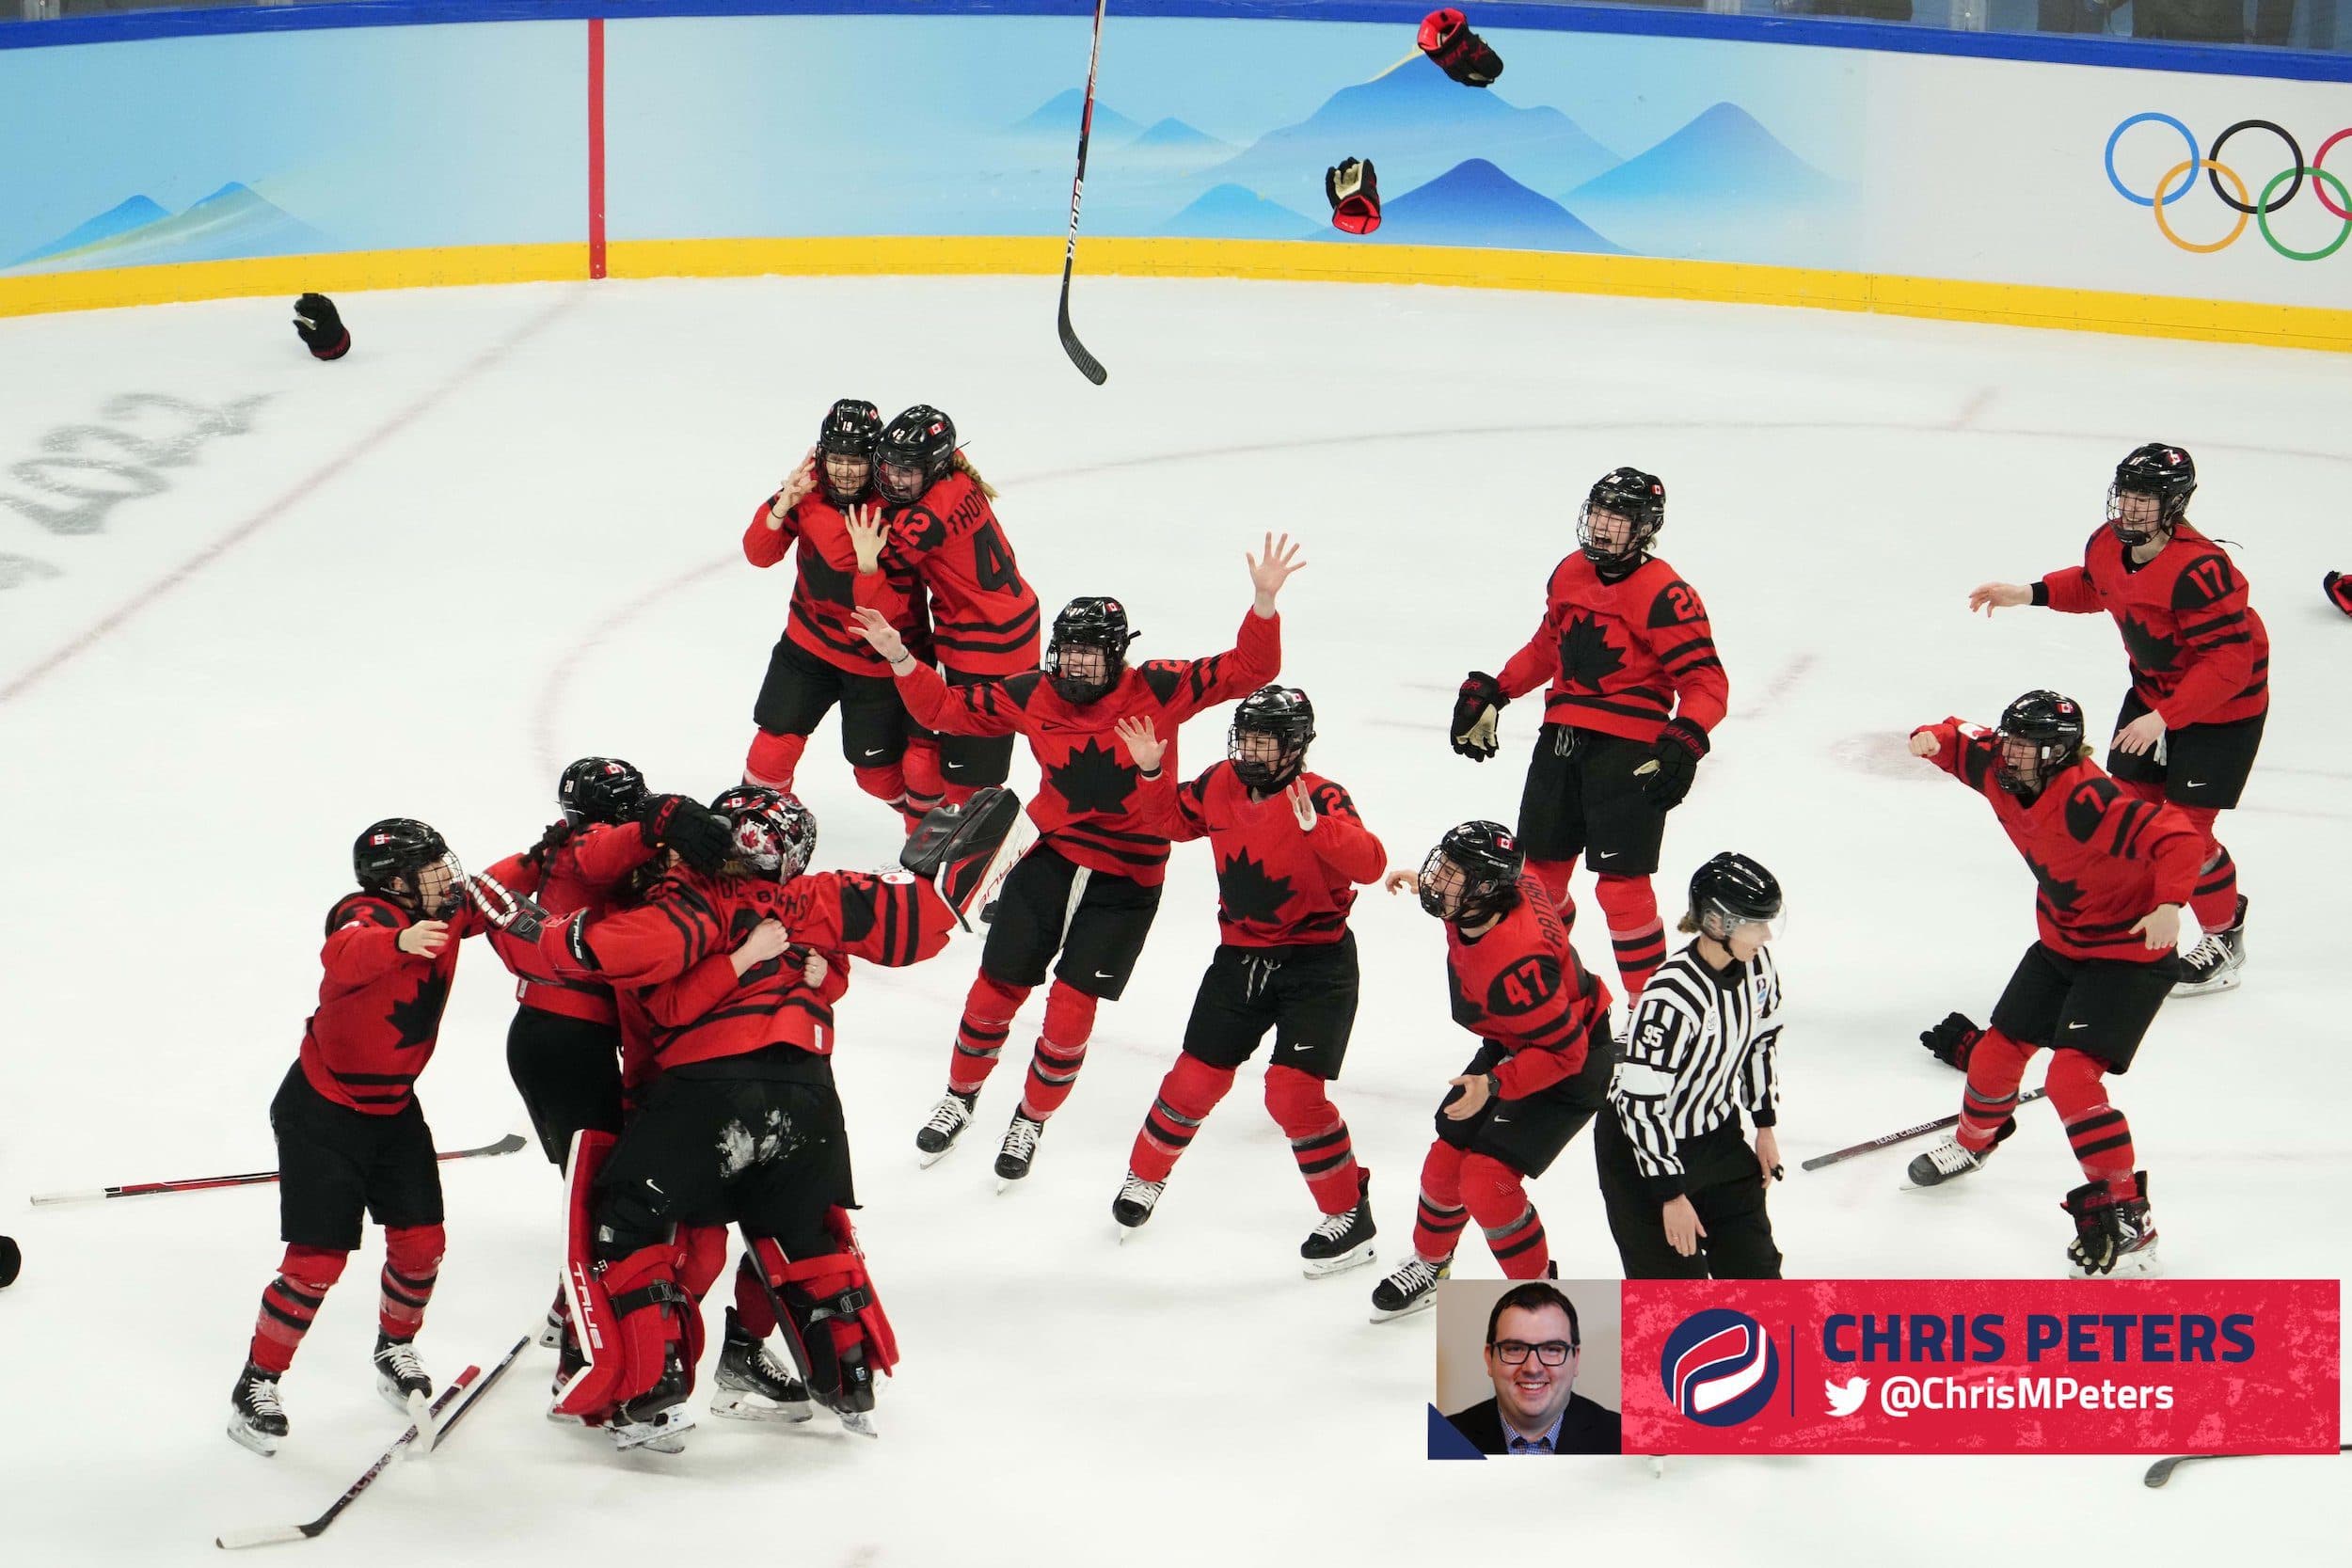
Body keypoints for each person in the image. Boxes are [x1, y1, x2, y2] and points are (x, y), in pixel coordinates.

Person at [483, 785, 1018, 1450]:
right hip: (810, 1102)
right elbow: (919, 914)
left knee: (630, 1219)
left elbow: (595, 955)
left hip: (706, 1096)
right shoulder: (815, 900)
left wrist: (521, 926)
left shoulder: (694, 902)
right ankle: (836, 1378)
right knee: (801, 1231)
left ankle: (648, 1390)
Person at [852, 535, 1304, 1186]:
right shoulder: (1033, 691)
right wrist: (899, 656)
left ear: (1117, 655)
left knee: (1070, 1007)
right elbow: (947, 710)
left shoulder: (1160, 685)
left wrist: (1263, 603)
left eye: (1092, 658)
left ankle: (1031, 1118)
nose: (1077, 669)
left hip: (1130, 877)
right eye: (1070, 654)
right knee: (994, 988)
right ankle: (960, 1096)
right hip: (1050, 855)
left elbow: (1247, 670)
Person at [1902, 691, 2206, 1278]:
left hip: (2130, 954)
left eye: (2023, 747)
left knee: (2070, 1077)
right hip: (2062, 943)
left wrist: (2170, 904)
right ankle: (1973, 1143)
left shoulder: (2090, 800)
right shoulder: (2001, 769)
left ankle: (2131, 1220)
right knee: (1995, 1052)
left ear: (2058, 754)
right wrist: (1931, 738)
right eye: (2010, 742)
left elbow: (2179, 835)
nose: (2008, 754)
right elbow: (1958, 736)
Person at [229, 820, 492, 1456]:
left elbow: (507, 882)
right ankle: (255, 1384)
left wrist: (556, 853)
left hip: (394, 1109)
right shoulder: (364, 913)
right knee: (316, 1263)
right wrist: (400, 938)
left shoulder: (443, 912)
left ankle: (394, 1347)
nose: (445, 877)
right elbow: (343, 952)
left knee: (422, 1244)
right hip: (323, 1113)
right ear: (395, 881)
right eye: (429, 868)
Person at [1106, 689, 1386, 1275]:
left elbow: (1372, 864)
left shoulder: (1325, 796)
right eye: (1248, 736)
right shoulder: (1217, 783)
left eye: (1268, 739)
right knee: (1192, 1081)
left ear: (1297, 745)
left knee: (1292, 1095)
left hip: (1318, 963)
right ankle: (1144, 1178)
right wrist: (1152, 771)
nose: (1254, 750)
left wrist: (1320, 830)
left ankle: (1349, 1217)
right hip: (1240, 958)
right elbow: (1167, 821)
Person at [1969, 445, 2265, 996]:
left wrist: (2165, 718)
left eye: (2145, 498)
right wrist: (2029, 594)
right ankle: (2126, 929)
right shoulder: (2108, 543)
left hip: (2223, 712)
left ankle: (2226, 934)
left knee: (2185, 833)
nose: (2130, 508)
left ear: (2173, 503)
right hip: (2154, 697)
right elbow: (2096, 584)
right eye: (2126, 493)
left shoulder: (2203, 570)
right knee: (2121, 816)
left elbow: (2230, 664)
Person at [1449, 467, 1729, 1003]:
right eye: (1599, 513)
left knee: (1621, 889)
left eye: (1618, 518)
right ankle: (1546, 996)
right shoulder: (1569, 573)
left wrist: (1686, 737)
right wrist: (1498, 691)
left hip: (1628, 753)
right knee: (1538, 881)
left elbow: (1706, 681)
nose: (1603, 527)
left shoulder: (1667, 594)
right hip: (1559, 742)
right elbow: (1547, 648)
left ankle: (1651, 1010)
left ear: (1645, 528)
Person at [1369, 822, 1614, 1320]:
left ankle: (1542, 1299)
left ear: (1484, 890)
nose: (1440, 878)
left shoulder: (1516, 966)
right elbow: (1561, 913)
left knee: (1486, 1181)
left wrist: (1496, 1083)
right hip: (1516, 1040)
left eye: (1453, 874)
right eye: (1444, 867)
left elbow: (1567, 1052)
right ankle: (1430, 1265)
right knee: (1445, 1162)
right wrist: (1431, 886)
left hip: (1569, 1063)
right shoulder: (1515, 885)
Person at [740, 399, 938, 823]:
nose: (845, 470)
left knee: (876, 776)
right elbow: (758, 554)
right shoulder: (807, 489)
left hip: (874, 666)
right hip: (806, 647)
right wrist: (781, 505)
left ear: (877, 460)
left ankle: (929, 839)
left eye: (857, 460)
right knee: (772, 746)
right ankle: (753, 841)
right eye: (836, 458)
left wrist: (868, 566)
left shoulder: (900, 509)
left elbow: (892, 618)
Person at [1597, 853, 1787, 1280]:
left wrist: (1764, 1126)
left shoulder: (1758, 968)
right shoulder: (1670, 997)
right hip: (1640, 1154)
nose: (1767, 935)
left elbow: (1760, 1043)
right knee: (1674, 1301)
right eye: (1756, 923)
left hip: (1716, 1137)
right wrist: (1670, 1195)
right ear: (1719, 924)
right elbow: (1640, 1105)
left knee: (1757, 1275)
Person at [866, 404, 1043, 809]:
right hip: (1009, 627)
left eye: (906, 470)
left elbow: (880, 557)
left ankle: (975, 863)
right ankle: (938, 850)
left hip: (985, 644)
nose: (893, 477)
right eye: (890, 466)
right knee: (929, 759)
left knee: (970, 782)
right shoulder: (956, 468)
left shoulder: (925, 519)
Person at [1442, 1282, 1622, 1455]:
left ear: (1575, 1360)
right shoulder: (1443, 1437)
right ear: (1490, 1359)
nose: (1533, 1368)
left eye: (1552, 1349)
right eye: (1514, 1349)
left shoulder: (1622, 1438)